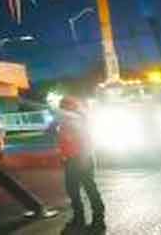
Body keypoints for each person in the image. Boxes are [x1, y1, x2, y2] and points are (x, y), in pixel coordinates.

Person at [58, 96, 105, 233]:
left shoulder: (76, 119)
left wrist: (83, 157)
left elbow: (84, 140)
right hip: (74, 159)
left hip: (80, 159)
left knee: (88, 188)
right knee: (74, 189)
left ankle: (97, 219)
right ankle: (80, 218)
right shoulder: (70, 120)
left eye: (64, 106)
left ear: (70, 107)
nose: (62, 109)